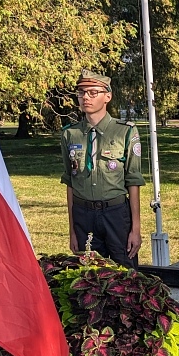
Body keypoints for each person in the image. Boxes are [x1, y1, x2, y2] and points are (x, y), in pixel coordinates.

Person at [61, 70, 145, 268]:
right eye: (81, 93)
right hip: (83, 214)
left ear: (107, 96)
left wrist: (135, 229)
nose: (85, 98)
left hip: (115, 213)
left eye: (92, 92)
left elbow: (133, 180)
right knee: (89, 278)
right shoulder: (70, 134)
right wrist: (72, 230)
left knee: (124, 274)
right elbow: (70, 182)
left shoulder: (125, 131)